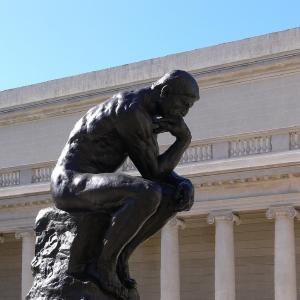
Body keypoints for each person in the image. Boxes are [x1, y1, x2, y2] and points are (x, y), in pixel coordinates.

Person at [51, 70, 200, 299]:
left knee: (172, 197)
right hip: (70, 182)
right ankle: (102, 266)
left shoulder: (143, 113)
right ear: (165, 92)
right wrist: (183, 140)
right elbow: (153, 172)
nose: (185, 112)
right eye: (184, 104)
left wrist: (182, 183)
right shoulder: (131, 110)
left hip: (89, 182)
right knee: (147, 193)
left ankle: (120, 256)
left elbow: (154, 167)